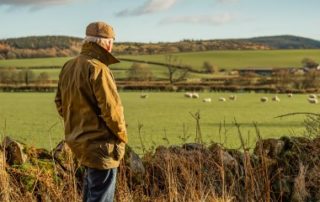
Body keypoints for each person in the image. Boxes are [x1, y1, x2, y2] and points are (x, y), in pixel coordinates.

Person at [54, 21, 128, 202]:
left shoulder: (69, 66)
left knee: (90, 195)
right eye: (112, 41)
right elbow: (112, 111)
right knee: (100, 197)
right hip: (102, 146)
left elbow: (59, 102)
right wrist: (122, 136)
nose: (112, 46)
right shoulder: (99, 69)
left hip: (80, 143)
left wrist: (79, 124)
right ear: (106, 43)